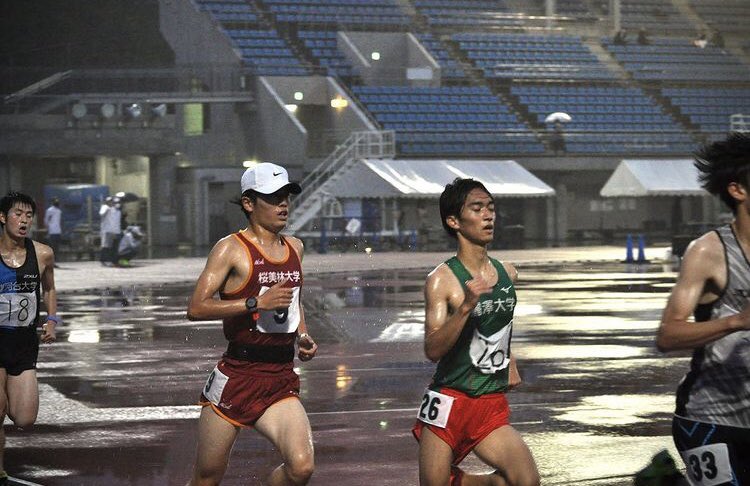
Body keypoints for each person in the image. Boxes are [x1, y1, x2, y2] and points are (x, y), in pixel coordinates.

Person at [186, 162, 318, 486]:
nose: (283, 204)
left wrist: (302, 335)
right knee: (207, 477)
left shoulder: (295, 248)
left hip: (279, 377)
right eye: (273, 198)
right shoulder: (230, 249)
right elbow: (196, 307)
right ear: (249, 203)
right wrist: (255, 303)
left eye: (286, 196)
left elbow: (294, 299)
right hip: (237, 374)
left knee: (301, 468)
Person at [412, 178, 539, 486]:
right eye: (478, 208)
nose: (488, 215)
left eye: (491, 208)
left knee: (527, 481)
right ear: (454, 221)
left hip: (489, 404)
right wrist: (466, 307)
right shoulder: (442, 280)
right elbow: (432, 349)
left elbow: (500, 326)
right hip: (449, 401)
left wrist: (510, 362)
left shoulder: (507, 272)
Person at [656, 133, 750, 485]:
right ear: (737, 190)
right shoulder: (708, 252)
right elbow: (668, 335)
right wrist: (738, 320)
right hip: (710, 420)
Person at [0, 192, 58, 485]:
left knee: (24, 418)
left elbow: (49, 289)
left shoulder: (43, 253)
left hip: (24, 344)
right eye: (17, 214)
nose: (24, 221)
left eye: (28, 216)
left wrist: (52, 319)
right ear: (2, 217)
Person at [98, 196, 121, 266]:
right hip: (107, 230)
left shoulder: (117, 211)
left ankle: (114, 261)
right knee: (106, 246)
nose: (113, 203)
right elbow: (101, 214)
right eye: (111, 202)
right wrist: (107, 208)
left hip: (116, 230)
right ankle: (104, 260)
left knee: (114, 247)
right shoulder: (105, 207)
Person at [43, 197, 62, 266]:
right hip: (52, 231)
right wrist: (48, 228)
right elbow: (46, 220)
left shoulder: (59, 211)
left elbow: (58, 221)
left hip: (57, 231)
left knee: (56, 247)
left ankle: (53, 262)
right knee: (53, 247)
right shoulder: (50, 210)